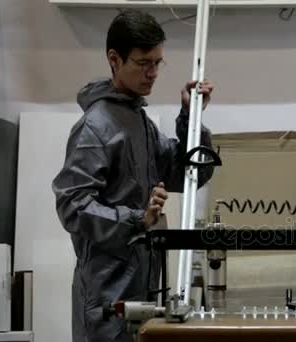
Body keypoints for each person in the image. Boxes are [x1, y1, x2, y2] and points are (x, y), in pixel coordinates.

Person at [52, 10, 214, 342]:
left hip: (142, 290)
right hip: (107, 299)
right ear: (115, 59)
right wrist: (137, 218)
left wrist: (191, 115)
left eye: (158, 63)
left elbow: (189, 173)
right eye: (143, 63)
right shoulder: (94, 129)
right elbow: (72, 206)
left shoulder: (141, 124)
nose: (153, 73)